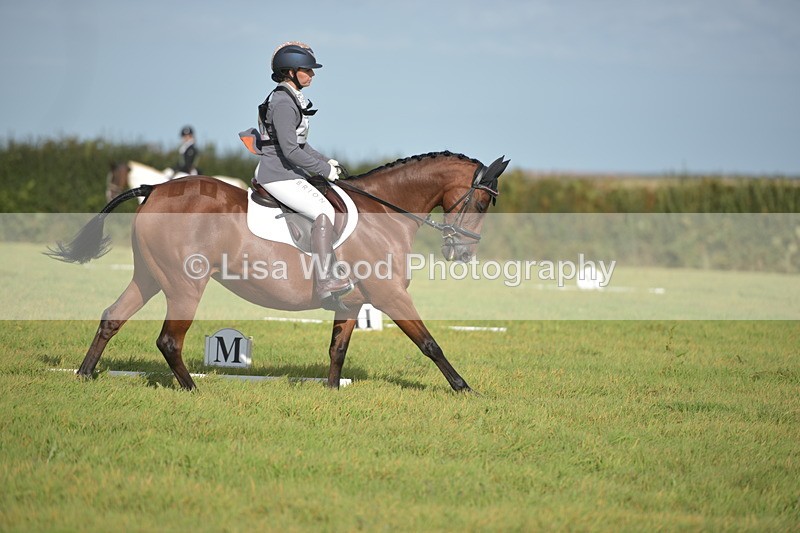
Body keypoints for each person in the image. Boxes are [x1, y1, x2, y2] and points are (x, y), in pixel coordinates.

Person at [252, 41, 352, 310]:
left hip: (286, 171)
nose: (313, 74)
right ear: (291, 71)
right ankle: (325, 281)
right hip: (278, 174)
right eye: (308, 69)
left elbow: (302, 144)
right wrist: (323, 170)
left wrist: (326, 161)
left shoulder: (289, 97)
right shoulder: (284, 102)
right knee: (324, 212)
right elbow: (290, 150)